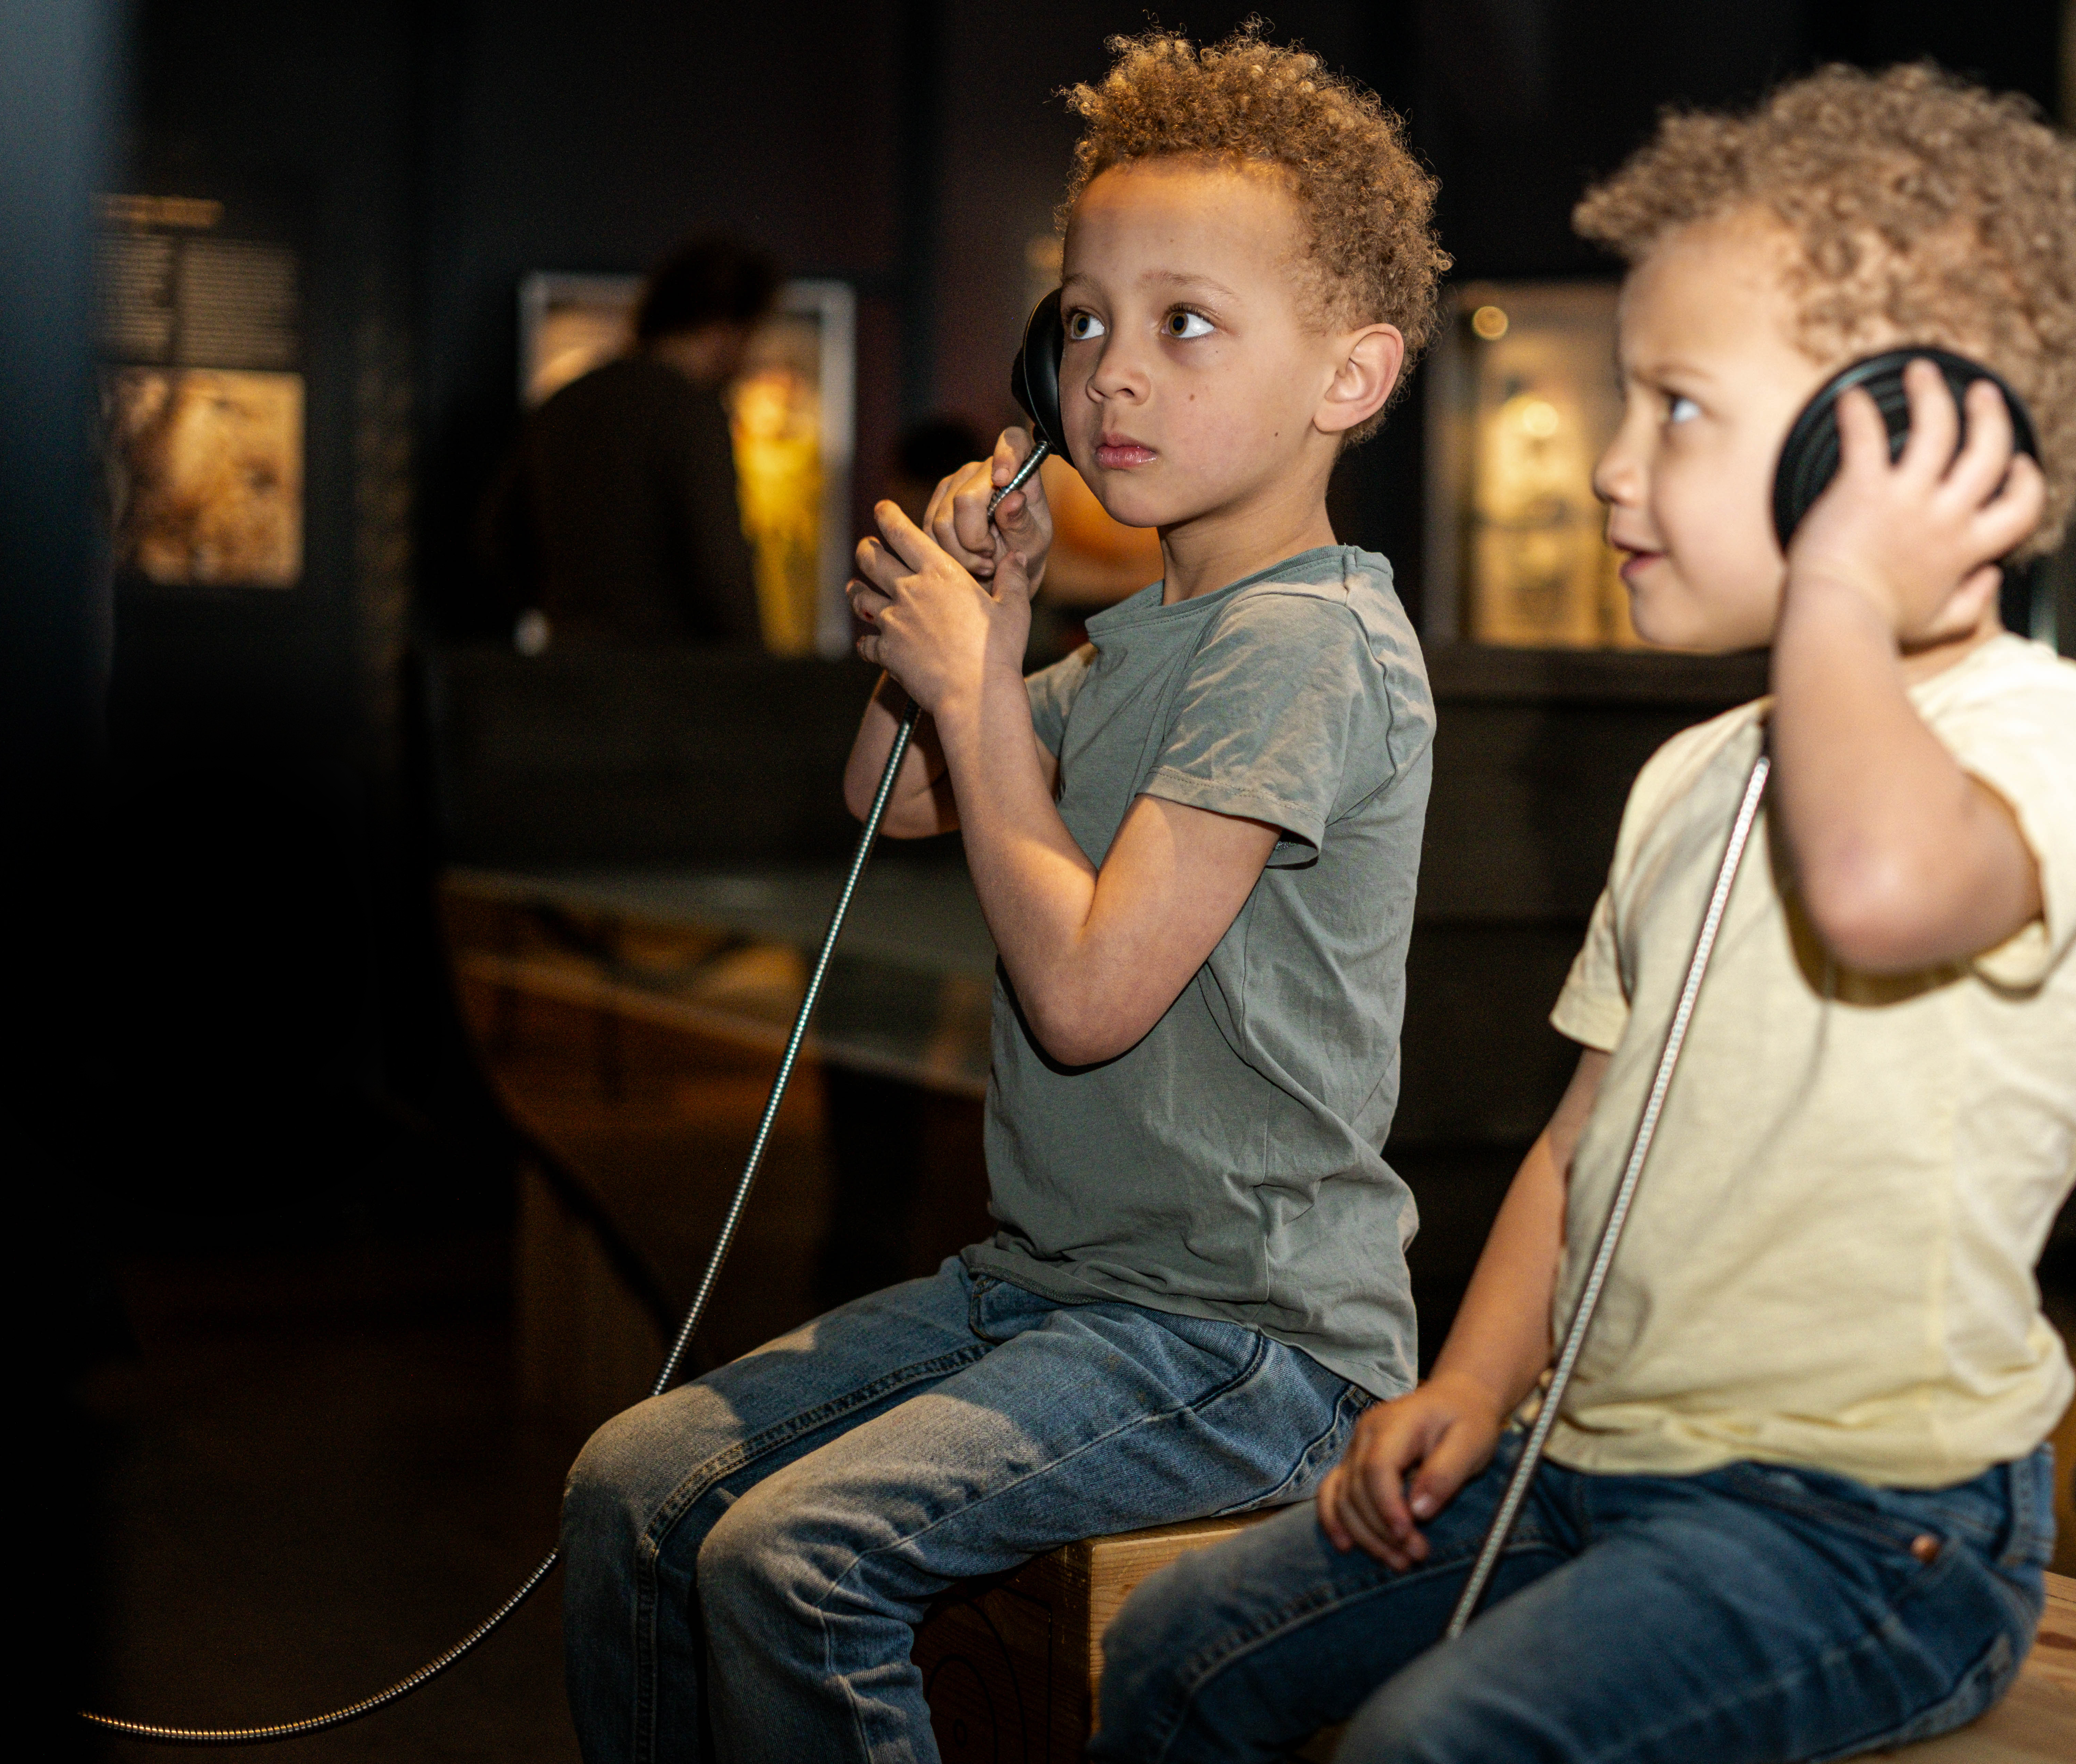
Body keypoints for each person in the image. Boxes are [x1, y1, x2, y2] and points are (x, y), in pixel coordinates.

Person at [1092, 64, 2076, 1763]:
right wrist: (1468, 1387)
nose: (1605, 463)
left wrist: (1844, 590)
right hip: (1587, 1460)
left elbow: (1875, 892)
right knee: (1184, 1649)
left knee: (1438, 1742)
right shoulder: (1693, 779)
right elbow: (1583, 1149)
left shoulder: (2038, 734)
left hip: (1867, 1528)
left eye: (1677, 410)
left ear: (1886, 435)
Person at [556, 29, 1447, 1764]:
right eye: (1088, 319)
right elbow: (880, 798)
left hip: (1242, 1338)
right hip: (1056, 1287)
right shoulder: (1150, 641)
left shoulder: (1306, 642)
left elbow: (1089, 994)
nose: (1115, 370)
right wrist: (992, 625)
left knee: (793, 1561)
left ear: (1349, 374)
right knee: (631, 1485)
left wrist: (977, 687)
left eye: (1186, 322)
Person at [483, 236, 779, 647]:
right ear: (722, 329)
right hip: (670, 684)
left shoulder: (563, 404)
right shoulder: (691, 412)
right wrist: (758, 670)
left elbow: (497, 542)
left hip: (566, 672)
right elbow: (721, 572)